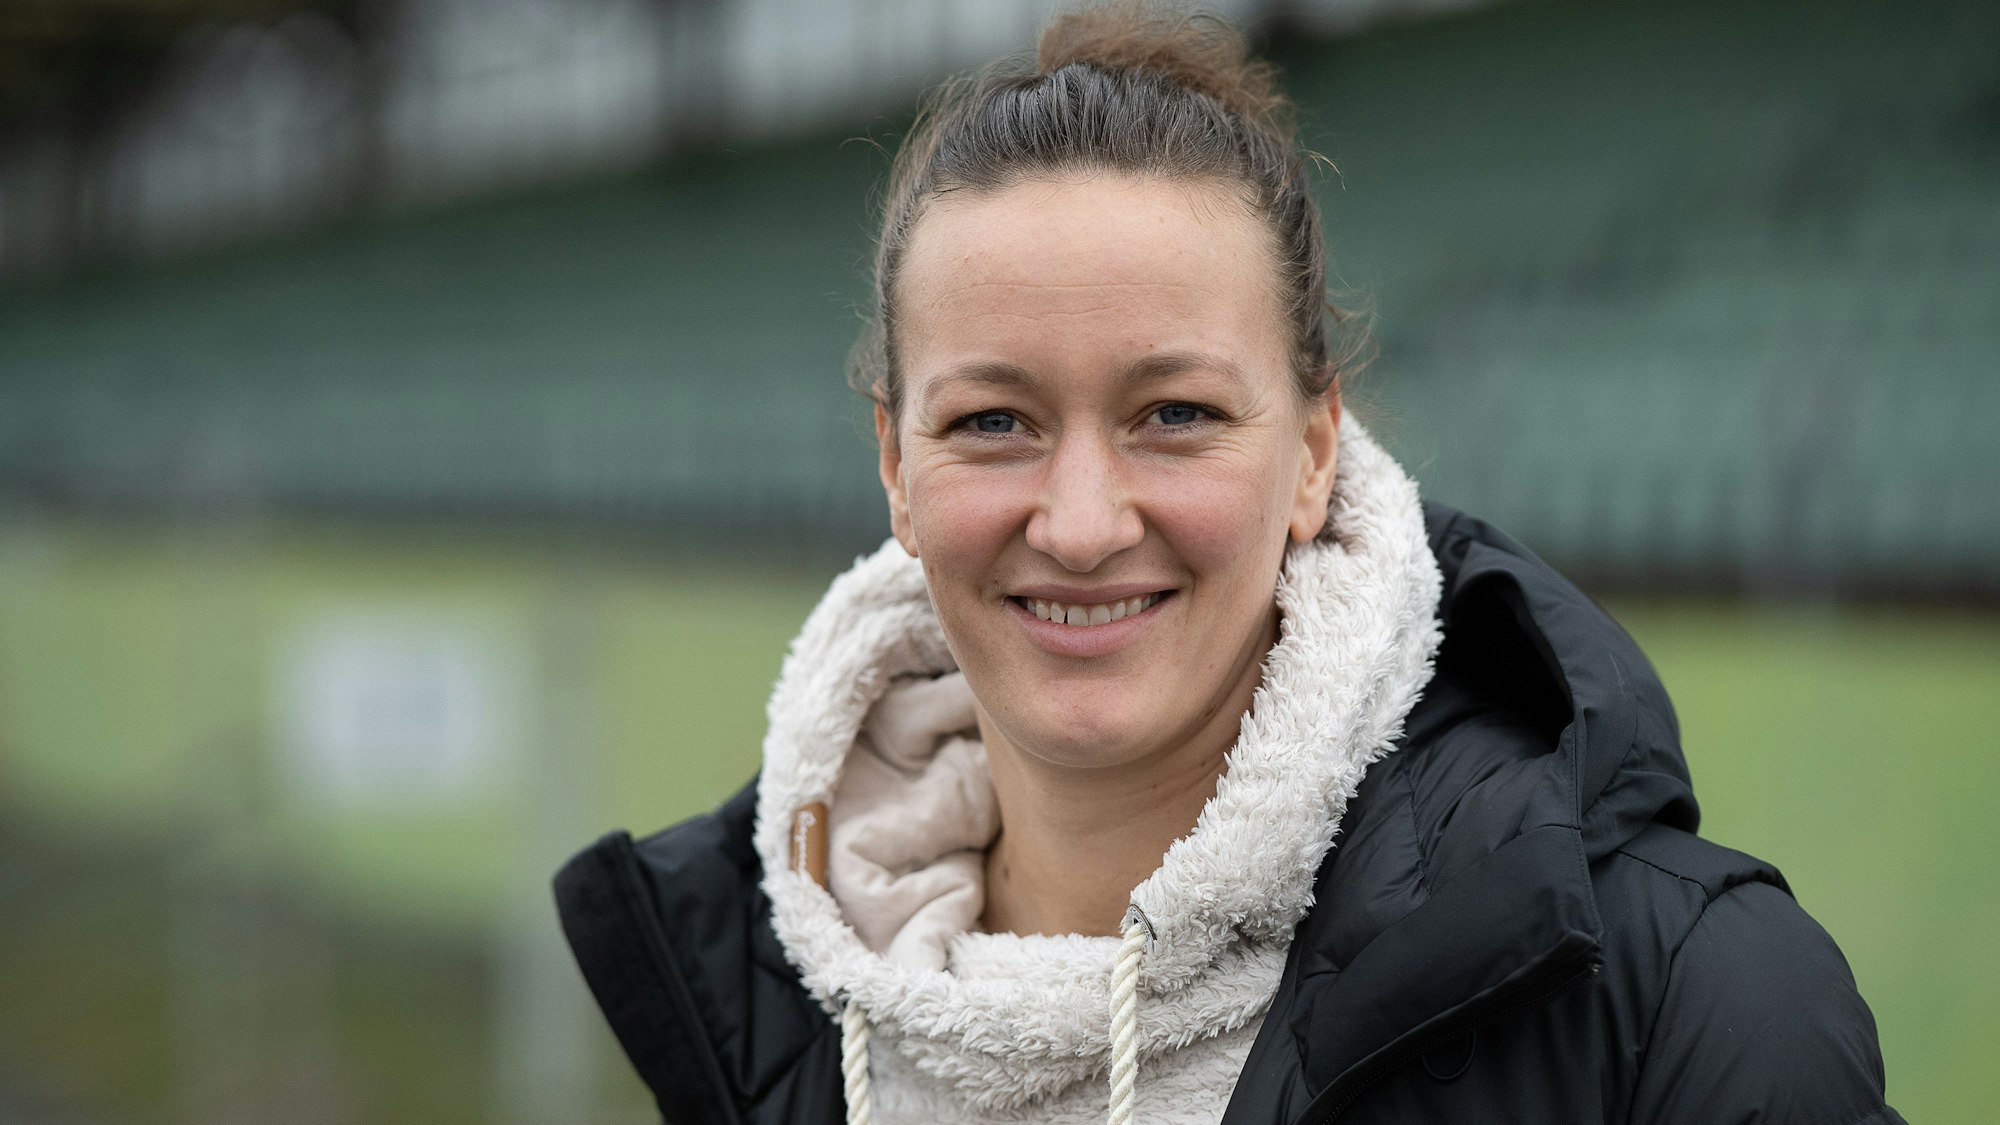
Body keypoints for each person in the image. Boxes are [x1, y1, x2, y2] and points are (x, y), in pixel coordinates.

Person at [554, 4, 1904, 1122]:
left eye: (1176, 415)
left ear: (1316, 451)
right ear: (897, 469)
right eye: (992, 423)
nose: (1081, 522)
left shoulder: (1690, 1001)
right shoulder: (768, 981)